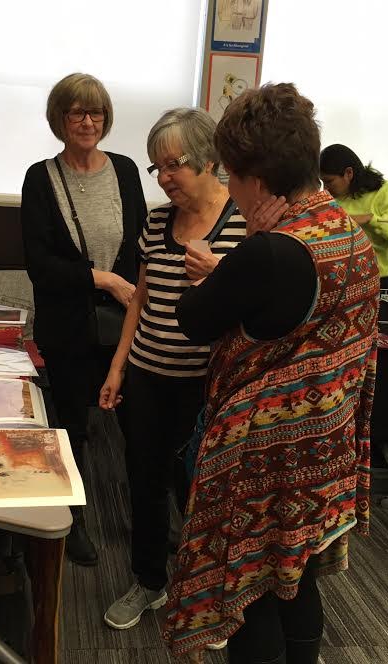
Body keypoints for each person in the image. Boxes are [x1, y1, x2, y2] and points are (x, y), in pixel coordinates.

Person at [164, 83, 380, 664]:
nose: (229, 189)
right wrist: (230, 270)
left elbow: (194, 320)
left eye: (232, 176)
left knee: (250, 590)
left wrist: (214, 275)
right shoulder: (349, 236)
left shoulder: (269, 253)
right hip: (325, 446)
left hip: (261, 458)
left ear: (256, 179)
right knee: (297, 574)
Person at [99, 107, 247, 631]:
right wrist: (118, 367)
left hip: (207, 388)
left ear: (209, 160)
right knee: (144, 482)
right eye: (154, 168)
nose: (163, 178)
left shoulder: (245, 225)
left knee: (204, 493)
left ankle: (208, 591)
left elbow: (253, 313)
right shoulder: (157, 220)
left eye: (173, 166)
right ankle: (149, 582)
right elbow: (139, 300)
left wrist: (220, 277)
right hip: (146, 377)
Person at [21, 73, 147, 565]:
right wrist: (104, 280)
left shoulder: (126, 170)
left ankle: (149, 520)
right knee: (71, 427)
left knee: (139, 427)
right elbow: (40, 265)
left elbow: (140, 246)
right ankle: (73, 520)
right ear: (60, 119)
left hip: (126, 327)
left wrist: (130, 289)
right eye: (77, 112)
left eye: (95, 112)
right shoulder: (40, 176)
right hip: (69, 326)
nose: (87, 121)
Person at [320, 144, 388, 288]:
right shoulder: (327, 198)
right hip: (340, 280)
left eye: (329, 181)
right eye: (322, 182)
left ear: (348, 173)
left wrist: (371, 220)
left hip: (381, 280)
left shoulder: (385, 191)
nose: (324, 189)